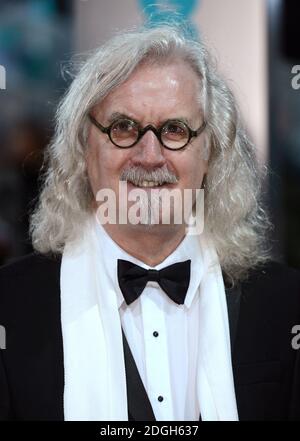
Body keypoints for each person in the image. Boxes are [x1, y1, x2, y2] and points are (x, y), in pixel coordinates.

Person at [0, 25, 300, 422]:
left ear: (210, 153)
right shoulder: (9, 307)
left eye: (175, 130)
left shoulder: (287, 303)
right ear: (83, 149)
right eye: (123, 127)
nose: (149, 155)